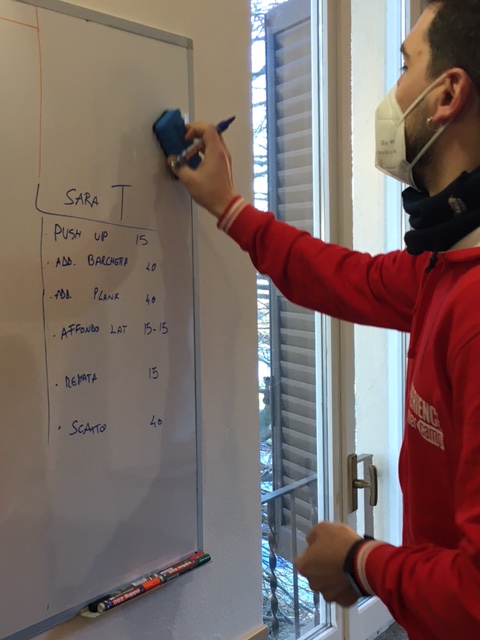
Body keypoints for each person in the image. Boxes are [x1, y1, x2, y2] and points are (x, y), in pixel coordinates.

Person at [168, 1, 480, 638]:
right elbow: (342, 277)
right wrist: (229, 206)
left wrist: (361, 562)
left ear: (447, 95)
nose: (394, 91)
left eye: (405, 66)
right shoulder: (444, 266)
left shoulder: (473, 309)